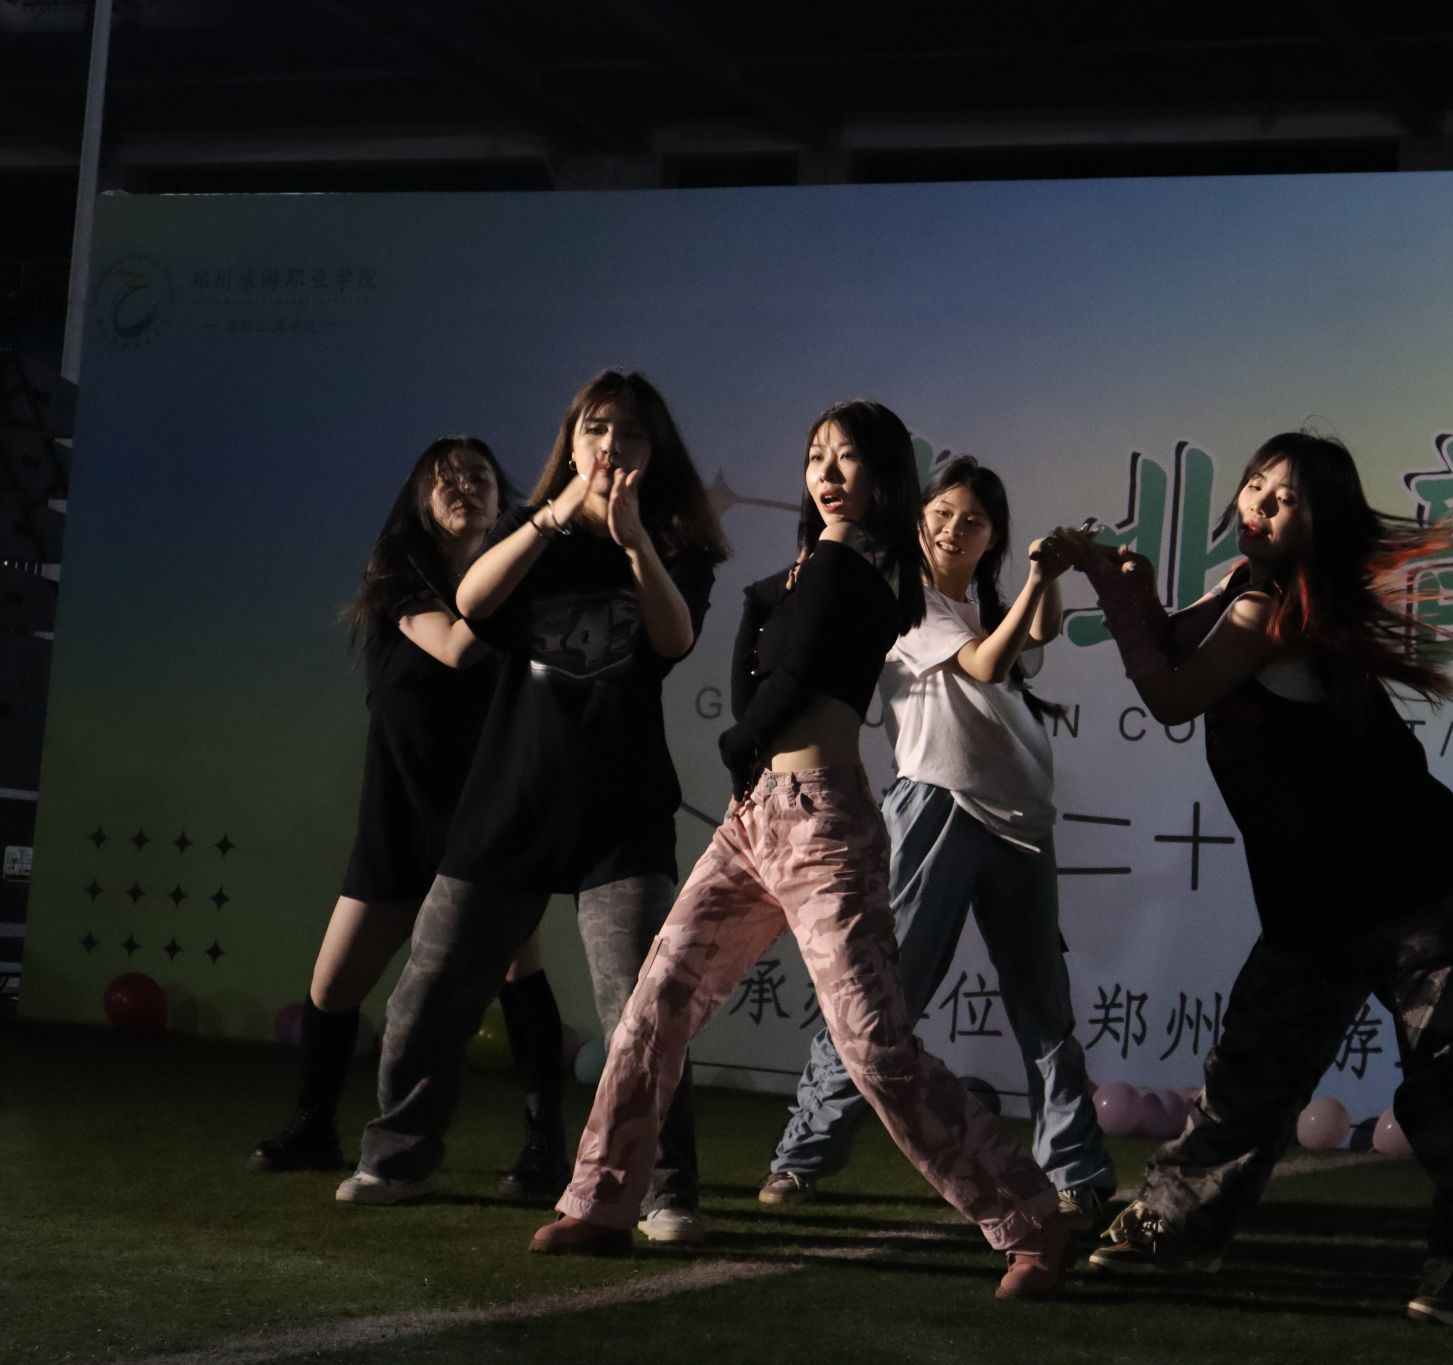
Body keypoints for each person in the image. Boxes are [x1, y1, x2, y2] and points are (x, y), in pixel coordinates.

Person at [532, 400, 1073, 1300]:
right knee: (654, 1004)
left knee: (874, 1047)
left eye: (847, 457)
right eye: (816, 455)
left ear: (884, 476)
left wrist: (740, 739)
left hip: (823, 823)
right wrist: (748, 748)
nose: (825, 471)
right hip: (754, 819)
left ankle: (1032, 1218)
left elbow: (794, 669)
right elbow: (761, 638)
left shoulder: (866, 568)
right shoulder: (805, 569)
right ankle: (602, 1201)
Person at [1058, 430, 1453, 1327]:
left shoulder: (1272, 611)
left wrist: (1114, 598)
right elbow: (1172, 643)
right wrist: (1125, 586)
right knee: (1252, 1066)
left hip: (1407, 883)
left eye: (1287, 500)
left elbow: (1171, 694)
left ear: (1321, 526)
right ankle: (1181, 1225)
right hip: (1314, 898)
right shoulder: (1245, 587)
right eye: (1256, 486)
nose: (1261, 505)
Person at [335, 370, 727, 1240]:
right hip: (506, 804)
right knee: (430, 994)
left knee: (643, 1015)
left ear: (654, 452)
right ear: (572, 442)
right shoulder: (528, 530)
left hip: (621, 814)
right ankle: (397, 1156)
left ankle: (664, 1190)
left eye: (630, 433)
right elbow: (471, 603)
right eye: (596, 429)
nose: (611, 446)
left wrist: (634, 541)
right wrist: (552, 517)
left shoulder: (675, 542)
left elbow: (673, 639)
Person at [757, 455, 1115, 1225]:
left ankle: (1078, 1170)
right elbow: (987, 665)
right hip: (938, 811)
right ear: (917, 521)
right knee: (882, 996)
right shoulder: (906, 606)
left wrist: (1048, 576)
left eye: (973, 521)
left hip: (1023, 822)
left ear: (992, 539)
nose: (954, 529)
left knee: (1043, 1002)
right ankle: (802, 1153)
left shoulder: (983, 606)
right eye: (942, 514)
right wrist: (1038, 577)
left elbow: (1038, 633)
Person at [249, 437, 567, 1196]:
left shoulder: (523, 588)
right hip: (398, 817)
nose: (462, 487)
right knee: (332, 986)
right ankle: (314, 1126)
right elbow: (454, 646)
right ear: (422, 501)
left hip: (486, 821)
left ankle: (545, 1144)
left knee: (519, 972)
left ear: (499, 496)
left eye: (478, 476)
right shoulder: (400, 583)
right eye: (445, 479)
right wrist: (534, 558)